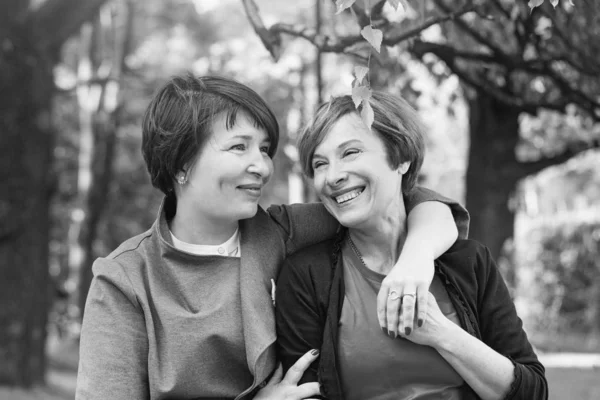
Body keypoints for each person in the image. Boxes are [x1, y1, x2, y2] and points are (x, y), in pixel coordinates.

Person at [75, 74, 469, 400]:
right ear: (181, 163)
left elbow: (402, 200)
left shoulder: (279, 231)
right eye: (239, 147)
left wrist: (416, 258)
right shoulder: (125, 279)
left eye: (264, 148)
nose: (261, 166)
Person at [276, 91, 548, 399]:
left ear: (401, 157)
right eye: (320, 163)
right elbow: (307, 392)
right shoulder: (306, 276)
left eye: (350, 153)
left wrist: (441, 334)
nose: (333, 176)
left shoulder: (469, 263)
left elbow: (533, 391)